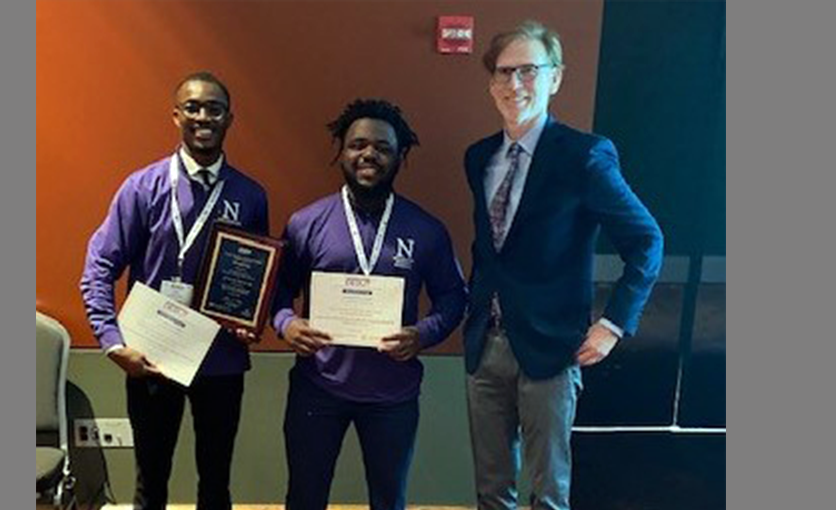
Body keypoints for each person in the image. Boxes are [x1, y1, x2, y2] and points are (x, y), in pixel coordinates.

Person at [462, 20, 664, 510]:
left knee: (548, 494)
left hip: (552, 350)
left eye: (529, 71)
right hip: (484, 346)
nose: (515, 85)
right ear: (491, 84)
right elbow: (492, 252)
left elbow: (646, 240)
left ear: (555, 78)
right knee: (491, 491)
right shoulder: (478, 157)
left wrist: (613, 325)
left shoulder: (585, 156)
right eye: (505, 73)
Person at [80, 71, 269, 510]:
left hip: (220, 358)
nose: (204, 116)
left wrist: (250, 320)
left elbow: (254, 274)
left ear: (230, 118)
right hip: (152, 357)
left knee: (216, 481)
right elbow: (99, 266)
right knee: (151, 482)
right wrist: (112, 342)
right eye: (193, 107)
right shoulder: (141, 188)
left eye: (214, 108)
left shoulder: (250, 195)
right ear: (176, 115)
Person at [271, 98, 467, 510]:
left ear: (400, 157)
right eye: (358, 144)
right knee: (304, 498)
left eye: (382, 147)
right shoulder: (307, 223)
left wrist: (423, 333)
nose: (369, 155)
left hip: (392, 395)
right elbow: (278, 291)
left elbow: (453, 297)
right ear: (341, 151)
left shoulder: (426, 229)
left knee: (388, 500)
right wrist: (287, 323)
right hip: (318, 389)